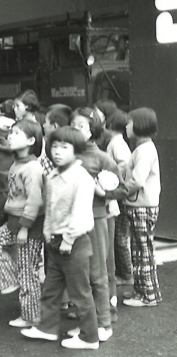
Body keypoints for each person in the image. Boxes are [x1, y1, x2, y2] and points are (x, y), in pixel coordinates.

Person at [20, 126, 99, 350]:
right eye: (54, 146)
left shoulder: (81, 178)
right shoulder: (53, 176)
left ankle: (90, 337)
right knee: (51, 290)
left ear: (76, 150)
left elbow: (80, 213)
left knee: (80, 293)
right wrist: (48, 233)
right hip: (55, 241)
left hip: (73, 243)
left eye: (64, 147)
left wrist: (68, 239)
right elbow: (50, 209)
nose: (57, 151)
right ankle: (46, 328)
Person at [0, 119, 45, 328]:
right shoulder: (17, 163)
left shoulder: (32, 168)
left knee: (28, 272)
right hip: (14, 222)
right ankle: (9, 281)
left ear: (31, 140)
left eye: (17, 133)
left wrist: (25, 228)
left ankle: (30, 316)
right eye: (11, 132)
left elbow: (35, 201)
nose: (10, 136)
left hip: (28, 226)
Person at [70, 107, 126, 339]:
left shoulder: (102, 158)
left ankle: (104, 322)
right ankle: (88, 322)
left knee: (97, 271)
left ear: (92, 129)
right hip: (72, 220)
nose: (76, 130)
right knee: (78, 273)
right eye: (73, 125)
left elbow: (122, 190)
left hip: (95, 218)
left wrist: (102, 192)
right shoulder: (68, 154)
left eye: (81, 126)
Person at [122, 107, 162, 307]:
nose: (126, 126)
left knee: (142, 251)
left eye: (129, 123)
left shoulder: (144, 151)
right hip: (142, 205)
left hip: (142, 207)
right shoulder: (143, 148)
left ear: (139, 125)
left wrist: (121, 191)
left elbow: (137, 180)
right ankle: (142, 291)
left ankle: (148, 296)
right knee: (139, 250)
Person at [104, 110, 133, 284]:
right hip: (117, 191)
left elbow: (124, 163)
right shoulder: (115, 142)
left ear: (110, 124)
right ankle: (123, 272)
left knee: (120, 237)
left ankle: (126, 274)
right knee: (117, 236)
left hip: (119, 193)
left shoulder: (117, 143)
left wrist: (113, 176)